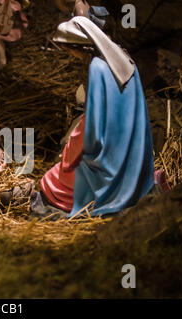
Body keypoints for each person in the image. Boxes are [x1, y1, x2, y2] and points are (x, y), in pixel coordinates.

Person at [30, 16, 155, 220]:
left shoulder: (98, 67)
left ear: (83, 46)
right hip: (133, 153)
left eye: (70, 48)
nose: (71, 54)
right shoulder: (123, 60)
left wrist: (71, 147)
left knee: (51, 182)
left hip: (108, 159)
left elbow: (93, 125)